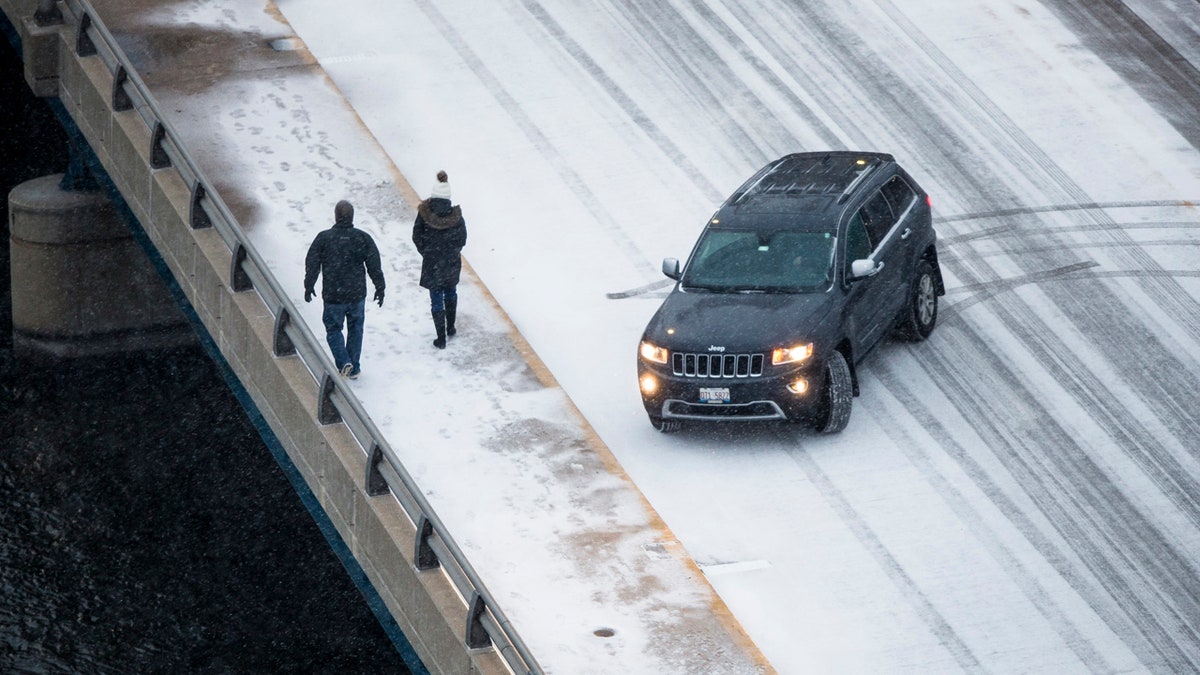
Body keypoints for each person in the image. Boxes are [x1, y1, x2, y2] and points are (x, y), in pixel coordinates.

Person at [304, 200, 385, 379]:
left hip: (334, 294)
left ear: (336, 216)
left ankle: (343, 362)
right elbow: (374, 265)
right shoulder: (363, 238)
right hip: (357, 294)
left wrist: (309, 285)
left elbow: (312, 264)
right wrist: (380, 287)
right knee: (356, 329)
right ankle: (354, 367)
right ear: (352, 216)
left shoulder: (324, 238)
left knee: (333, 329)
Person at [412, 170, 467, 349]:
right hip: (451, 261)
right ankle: (450, 327)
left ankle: (440, 338)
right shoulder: (456, 217)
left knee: (436, 298)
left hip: (432, 261)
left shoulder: (425, 214)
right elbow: (462, 239)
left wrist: (426, 252)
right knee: (451, 293)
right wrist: (452, 252)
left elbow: (416, 236)